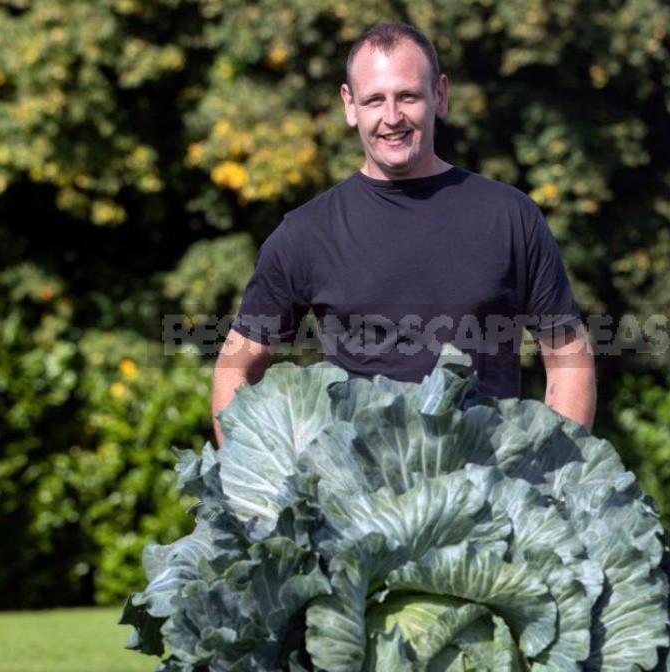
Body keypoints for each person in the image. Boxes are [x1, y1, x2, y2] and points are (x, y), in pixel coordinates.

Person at [212, 22, 596, 444]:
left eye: (407, 96)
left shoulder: (509, 217)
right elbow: (236, 366)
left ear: (440, 96)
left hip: (489, 496)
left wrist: (560, 478)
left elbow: (567, 356)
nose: (391, 118)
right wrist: (254, 486)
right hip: (356, 502)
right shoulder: (306, 233)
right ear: (350, 105)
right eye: (374, 100)